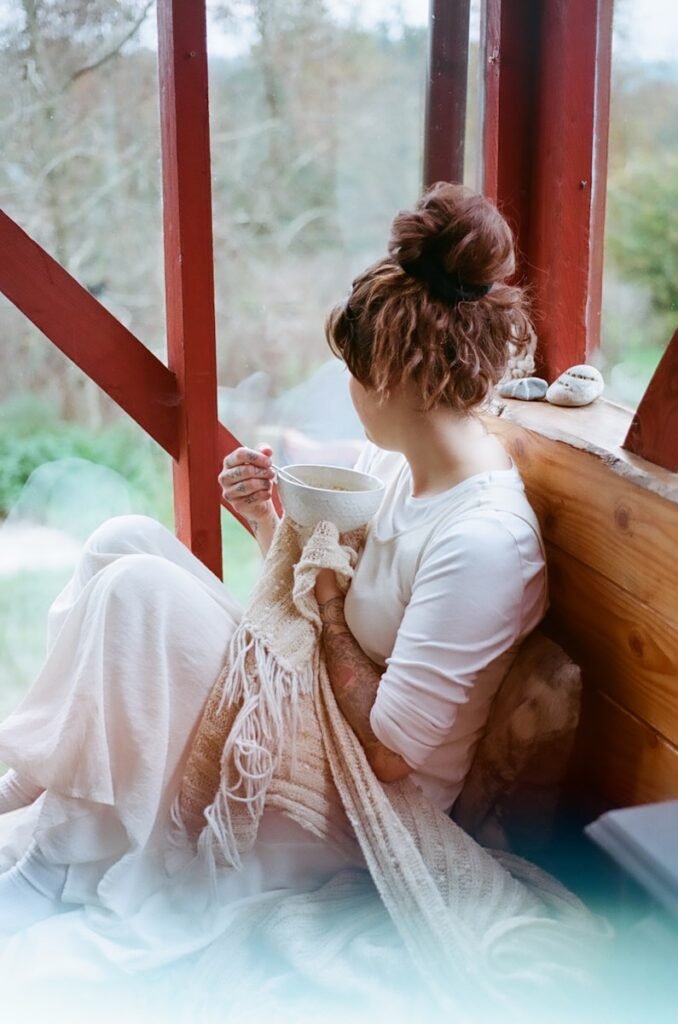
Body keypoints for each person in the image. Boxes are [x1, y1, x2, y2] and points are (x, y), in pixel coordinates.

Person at [0, 183, 547, 967]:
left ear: (391, 378)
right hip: (314, 714)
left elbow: (394, 755)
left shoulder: (486, 540)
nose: (349, 393)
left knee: (139, 597)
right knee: (124, 541)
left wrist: (324, 603)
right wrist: (270, 523)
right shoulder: (401, 472)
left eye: (353, 373)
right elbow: (334, 585)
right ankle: (38, 783)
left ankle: (47, 869)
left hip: (364, 805)